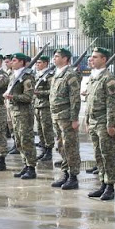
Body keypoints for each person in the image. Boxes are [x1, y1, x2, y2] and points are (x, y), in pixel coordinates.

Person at [85, 47, 115, 200]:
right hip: (93, 121)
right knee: (98, 154)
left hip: (103, 122)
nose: (92, 59)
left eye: (96, 57)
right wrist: (86, 120)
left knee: (107, 154)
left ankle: (110, 186)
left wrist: (110, 124)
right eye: (92, 57)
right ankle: (102, 183)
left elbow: (111, 103)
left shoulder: (108, 78)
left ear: (104, 59)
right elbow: (89, 101)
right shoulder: (93, 77)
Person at [49, 48, 81, 190]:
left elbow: (75, 98)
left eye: (57, 56)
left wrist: (74, 118)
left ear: (65, 59)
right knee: (61, 147)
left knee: (70, 147)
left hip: (66, 117)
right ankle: (65, 174)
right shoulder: (57, 74)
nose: (54, 59)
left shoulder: (70, 75)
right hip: (57, 116)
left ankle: (73, 177)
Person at [5, 53, 37, 179]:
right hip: (14, 112)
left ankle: (31, 167)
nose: (12, 62)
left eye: (14, 60)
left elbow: (28, 97)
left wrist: (13, 97)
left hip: (24, 113)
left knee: (26, 140)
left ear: (22, 62)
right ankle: (25, 164)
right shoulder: (14, 76)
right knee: (18, 141)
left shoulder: (27, 77)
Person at [33, 55, 54, 162]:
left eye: (39, 63)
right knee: (40, 130)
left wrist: (39, 93)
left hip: (45, 106)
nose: (37, 65)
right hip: (37, 105)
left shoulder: (49, 76)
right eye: (36, 63)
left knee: (47, 129)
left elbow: (53, 91)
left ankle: (49, 151)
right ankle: (43, 149)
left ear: (45, 64)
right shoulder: (37, 75)